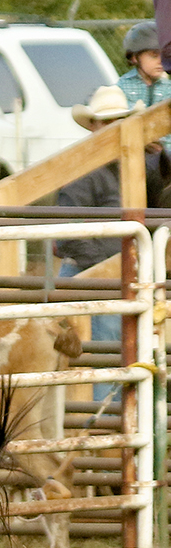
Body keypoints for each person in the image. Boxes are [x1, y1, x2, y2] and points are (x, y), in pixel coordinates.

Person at [55, 85, 147, 403]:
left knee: (119, 349)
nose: (114, 128)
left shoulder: (132, 165)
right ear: (93, 126)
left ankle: (112, 418)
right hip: (94, 278)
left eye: (120, 121)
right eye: (107, 122)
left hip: (116, 277)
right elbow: (68, 232)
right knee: (105, 350)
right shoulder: (84, 171)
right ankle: (105, 419)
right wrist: (106, 269)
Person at [115, 21, 171, 155]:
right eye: (154, 55)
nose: (160, 61)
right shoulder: (123, 87)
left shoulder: (168, 87)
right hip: (134, 151)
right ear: (135, 58)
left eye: (164, 55)